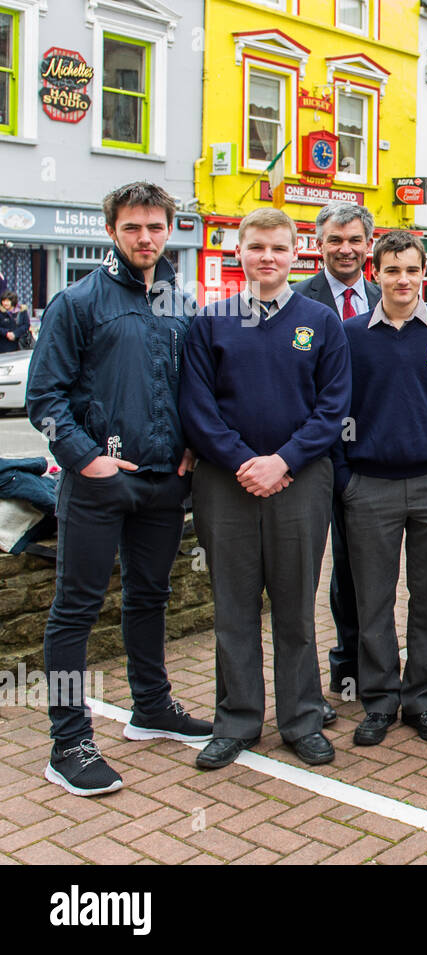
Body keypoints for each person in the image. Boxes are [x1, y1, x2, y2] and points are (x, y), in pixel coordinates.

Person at [26, 182, 211, 797]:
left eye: (155, 227)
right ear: (112, 231)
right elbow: (44, 400)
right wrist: (86, 461)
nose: (145, 238)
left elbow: (188, 388)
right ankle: (68, 740)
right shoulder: (76, 302)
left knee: (149, 597)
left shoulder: (178, 302)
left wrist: (189, 443)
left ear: (168, 231)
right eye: (132, 227)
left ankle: (151, 707)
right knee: (74, 610)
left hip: (163, 485)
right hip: (98, 485)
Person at [180, 207, 351, 770]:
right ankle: (237, 721)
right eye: (257, 247)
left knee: (296, 606)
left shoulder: (320, 322)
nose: (268, 258)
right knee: (232, 605)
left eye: (279, 248)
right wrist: (243, 462)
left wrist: (283, 461)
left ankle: (301, 718)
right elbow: (198, 410)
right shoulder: (211, 321)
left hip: (300, 481)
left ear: (296, 251)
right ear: (239, 250)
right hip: (225, 485)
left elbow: (333, 409)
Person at [335, 231, 427, 747]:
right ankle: (378, 702)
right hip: (368, 486)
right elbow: (334, 410)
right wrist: (345, 477)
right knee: (373, 601)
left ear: (424, 273)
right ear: (375, 273)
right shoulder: (349, 335)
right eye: (392, 270)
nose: (403, 280)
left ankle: (422, 701)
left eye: (412, 270)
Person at [296, 202, 380, 701]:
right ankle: (302, 687)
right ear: (319, 244)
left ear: (369, 245)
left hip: (361, 460)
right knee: (300, 576)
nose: (345, 249)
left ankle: (353, 672)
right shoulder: (296, 300)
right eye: (335, 240)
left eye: (354, 240)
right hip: (307, 457)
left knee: (354, 572)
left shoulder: (381, 296)